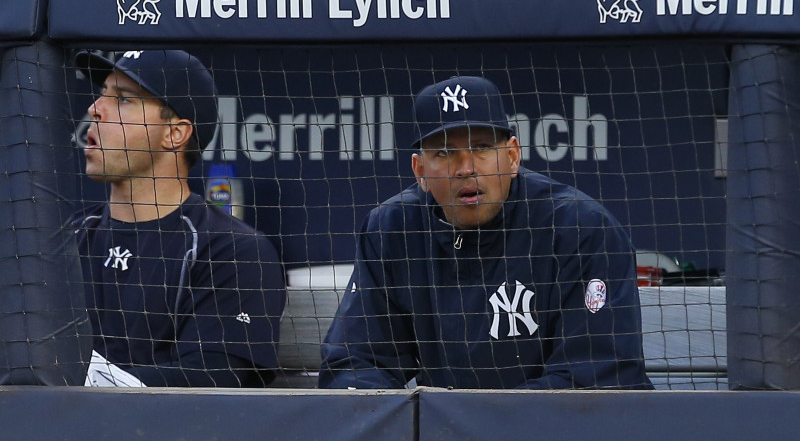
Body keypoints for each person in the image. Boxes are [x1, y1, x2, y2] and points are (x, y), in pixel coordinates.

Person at [319, 76, 653, 390]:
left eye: (481, 148)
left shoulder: (579, 228)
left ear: (512, 156)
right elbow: (355, 361)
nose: (466, 168)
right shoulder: (393, 230)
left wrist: (474, 423)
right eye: (446, 153)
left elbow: (597, 375)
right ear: (420, 170)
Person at [70, 50, 285, 387]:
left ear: (175, 134)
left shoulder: (231, 249)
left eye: (123, 100)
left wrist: (78, 386)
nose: (95, 109)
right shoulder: (65, 241)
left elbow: (215, 377)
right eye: (102, 95)